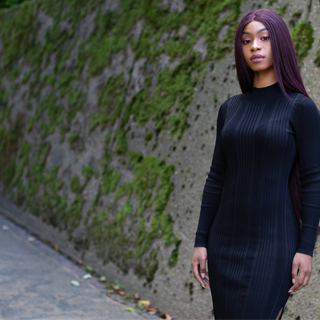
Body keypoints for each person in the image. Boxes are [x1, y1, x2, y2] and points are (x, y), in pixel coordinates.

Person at [191, 9, 320, 320]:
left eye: (264, 38)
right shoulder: (230, 109)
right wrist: (201, 241)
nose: (255, 47)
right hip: (225, 241)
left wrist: (306, 248)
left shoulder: (300, 108)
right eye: (246, 40)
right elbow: (216, 177)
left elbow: (313, 180)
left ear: (281, 45)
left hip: (274, 243)